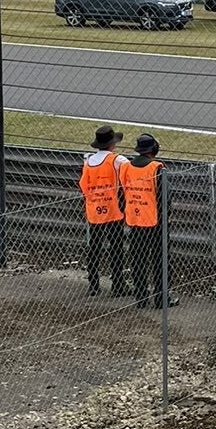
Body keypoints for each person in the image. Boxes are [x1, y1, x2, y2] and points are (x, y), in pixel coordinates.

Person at [119, 134, 173, 309]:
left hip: (134, 220)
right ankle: (161, 299)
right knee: (160, 261)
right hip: (155, 222)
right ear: (153, 150)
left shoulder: (126, 167)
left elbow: (122, 193)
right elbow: (165, 198)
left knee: (138, 260)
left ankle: (141, 297)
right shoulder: (157, 168)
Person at [78, 124, 127, 298]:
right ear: (112, 144)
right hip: (113, 210)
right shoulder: (118, 160)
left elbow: (83, 185)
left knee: (94, 247)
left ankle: (93, 284)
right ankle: (118, 284)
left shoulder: (89, 161)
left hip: (94, 210)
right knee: (116, 248)